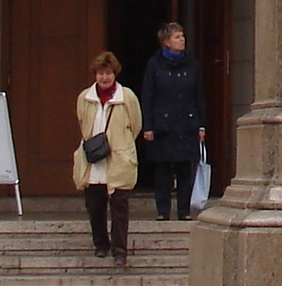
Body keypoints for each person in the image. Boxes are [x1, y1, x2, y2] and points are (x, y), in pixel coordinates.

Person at [73, 52, 142, 265]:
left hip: (119, 158)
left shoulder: (127, 96)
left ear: (115, 74)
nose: (105, 78)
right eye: (101, 73)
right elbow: (82, 121)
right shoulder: (85, 98)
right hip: (94, 157)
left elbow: (136, 124)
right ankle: (101, 244)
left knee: (120, 206)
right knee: (95, 204)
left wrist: (122, 144)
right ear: (96, 74)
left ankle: (120, 250)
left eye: (109, 73)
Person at [136, 22, 207, 223]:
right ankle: (163, 210)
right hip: (163, 125)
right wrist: (148, 126)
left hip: (187, 123)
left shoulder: (191, 63)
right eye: (177, 37)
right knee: (163, 170)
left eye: (183, 36)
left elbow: (198, 95)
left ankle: (184, 210)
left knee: (185, 169)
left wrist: (201, 124)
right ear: (166, 42)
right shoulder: (154, 64)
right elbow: (148, 96)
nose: (182, 39)